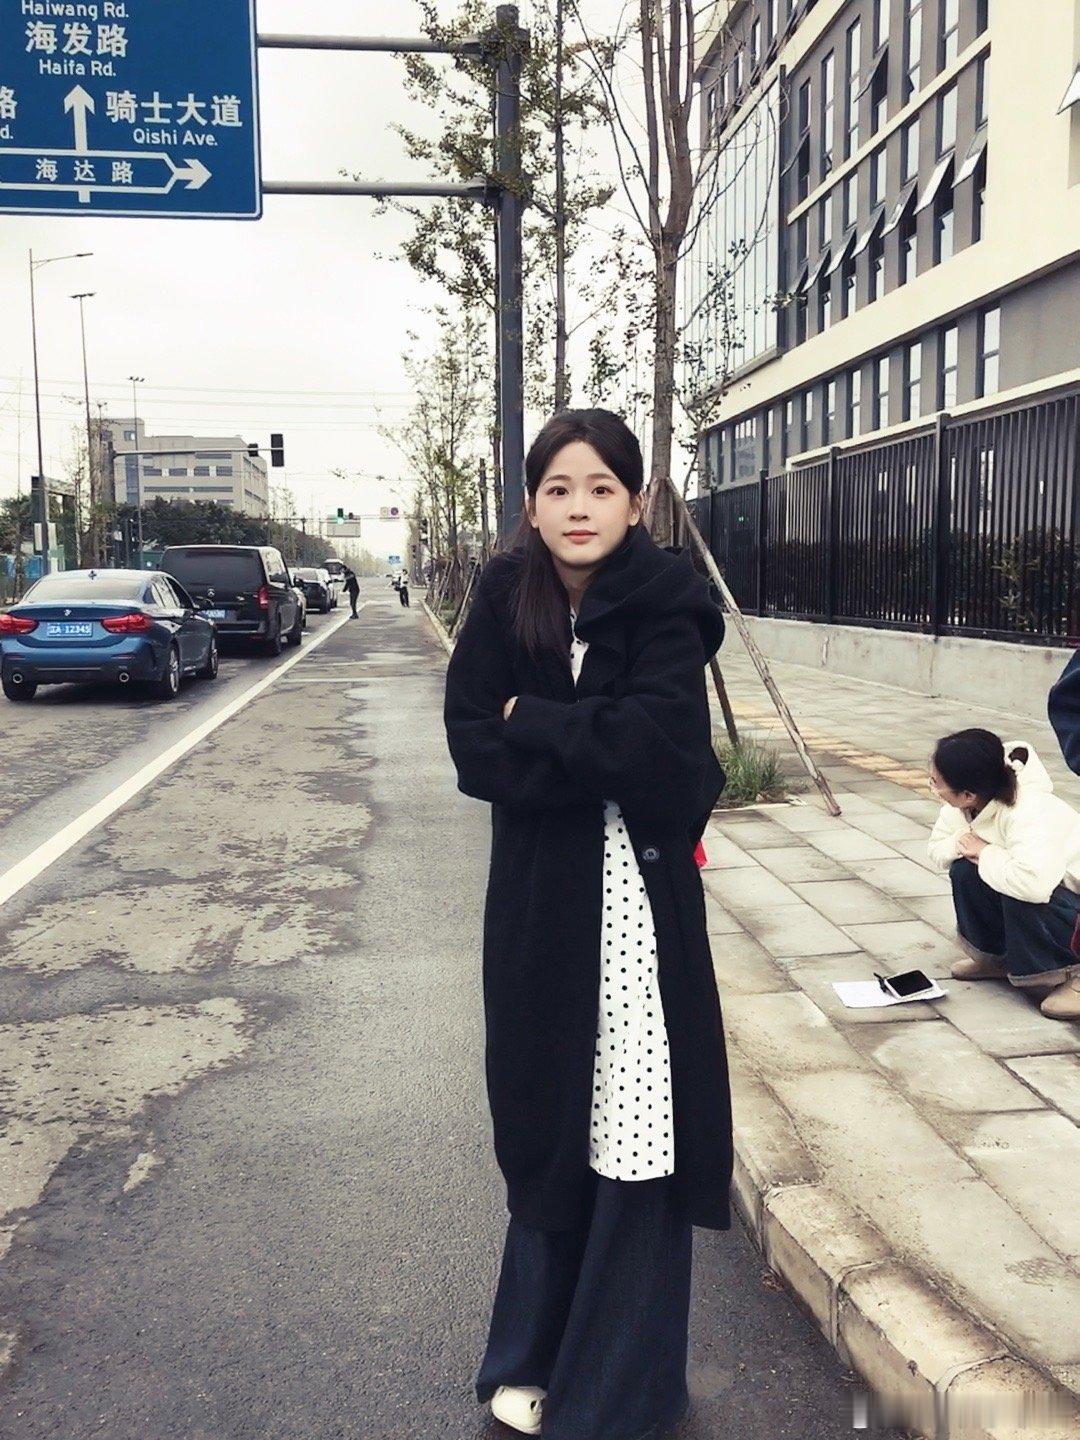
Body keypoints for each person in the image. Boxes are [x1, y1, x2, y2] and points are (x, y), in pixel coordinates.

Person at [443, 408, 733, 1440]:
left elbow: (668, 756)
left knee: (636, 1125)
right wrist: (595, 752)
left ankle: (621, 1387)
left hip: (641, 911)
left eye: (601, 488)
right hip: (538, 905)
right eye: (558, 489)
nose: (579, 508)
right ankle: (528, 1357)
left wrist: (538, 721)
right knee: (547, 1120)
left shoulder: (669, 603)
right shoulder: (501, 597)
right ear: (531, 505)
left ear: (636, 501)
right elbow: (473, 749)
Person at [927, 728, 1080, 1019]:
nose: (933, 789)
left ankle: (1074, 973)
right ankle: (996, 957)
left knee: (1017, 887)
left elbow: (1034, 885)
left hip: (1071, 897)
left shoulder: (1027, 811)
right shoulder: (965, 804)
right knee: (965, 870)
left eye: (936, 783)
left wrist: (985, 852)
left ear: (967, 794)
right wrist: (965, 843)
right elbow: (937, 848)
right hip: (1047, 885)